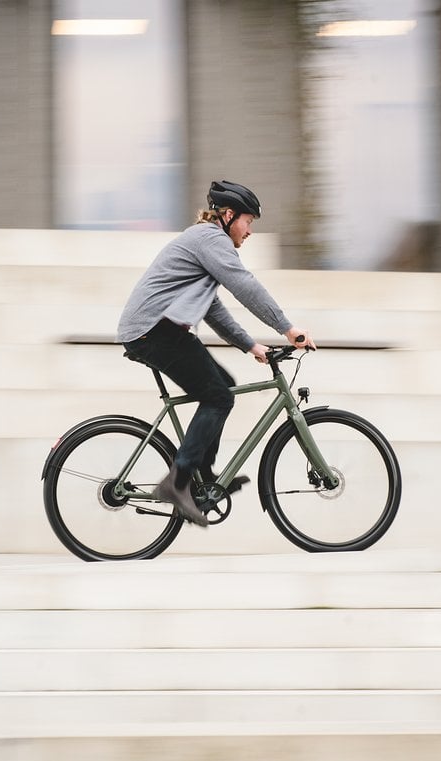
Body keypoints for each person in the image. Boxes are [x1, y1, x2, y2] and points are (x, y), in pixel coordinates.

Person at [117, 180, 315, 527]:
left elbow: (213, 309)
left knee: (222, 384)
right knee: (218, 397)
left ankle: (201, 478)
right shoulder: (211, 239)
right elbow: (245, 285)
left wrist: (252, 346)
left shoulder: (204, 243)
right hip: (152, 331)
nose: (250, 231)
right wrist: (287, 328)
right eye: (248, 221)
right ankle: (177, 482)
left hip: (158, 329)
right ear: (227, 215)